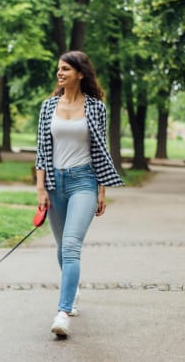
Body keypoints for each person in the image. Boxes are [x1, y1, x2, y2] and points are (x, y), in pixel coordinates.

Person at [35, 51, 124, 337]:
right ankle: (71, 294)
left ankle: (62, 312)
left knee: (72, 246)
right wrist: (41, 189)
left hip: (83, 181)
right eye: (58, 69)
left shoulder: (96, 107)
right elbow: (41, 151)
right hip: (54, 184)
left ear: (80, 73)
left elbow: (101, 151)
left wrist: (102, 190)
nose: (59, 73)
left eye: (65, 69)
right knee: (62, 248)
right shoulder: (48, 107)